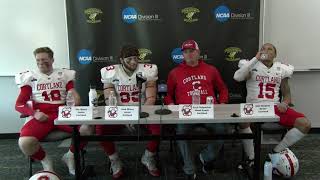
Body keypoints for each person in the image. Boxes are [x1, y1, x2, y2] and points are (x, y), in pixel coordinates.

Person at [15, 47, 93, 175]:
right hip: (42, 114)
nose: (41, 62)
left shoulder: (63, 74)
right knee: (25, 142)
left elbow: (73, 96)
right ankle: (46, 161)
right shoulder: (30, 77)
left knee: (88, 129)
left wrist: (75, 95)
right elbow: (19, 104)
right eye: (38, 60)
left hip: (62, 112)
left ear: (52, 59)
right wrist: (34, 113)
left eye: (44, 59)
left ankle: (70, 156)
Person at [233, 43, 311, 168]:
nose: (266, 50)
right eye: (263, 48)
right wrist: (255, 59)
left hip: (273, 107)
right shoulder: (251, 65)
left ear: (275, 54)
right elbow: (237, 77)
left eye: (270, 49)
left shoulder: (281, 69)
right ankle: (251, 157)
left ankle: (275, 151)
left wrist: (285, 103)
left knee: (304, 124)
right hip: (253, 106)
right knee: (243, 123)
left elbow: (287, 93)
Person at [164, 40, 229, 179]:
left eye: (192, 51)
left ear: (198, 52)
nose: (189, 54)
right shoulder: (175, 73)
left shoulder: (211, 70)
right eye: (185, 52)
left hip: (209, 112)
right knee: (181, 133)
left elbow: (223, 89)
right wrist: (171, 105)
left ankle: (205, 156)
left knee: (222, 131)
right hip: (186, 113)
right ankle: (189, 169)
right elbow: (168, 95)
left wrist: (223, 103)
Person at [98, 44, 161, 179]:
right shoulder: (110, 72)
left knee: (158, 129)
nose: (133, 62)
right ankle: (114, 160)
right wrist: (124, 118)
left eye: (135, 58)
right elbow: (110, 100)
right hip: (120, 112)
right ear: (121, 60)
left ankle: (148, 157)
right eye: (129, 60)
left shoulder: (147, 70)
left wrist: (138, 116)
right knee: (100, 129)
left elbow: (150, 98)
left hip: (143, 110)